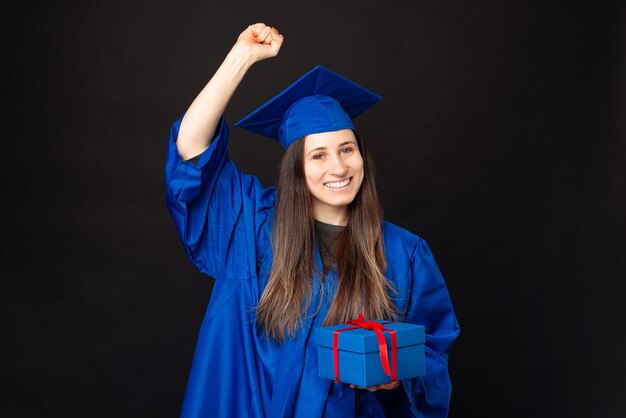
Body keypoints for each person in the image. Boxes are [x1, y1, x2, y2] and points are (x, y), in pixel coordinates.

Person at [165, 23, 460, 418]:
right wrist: (242, 57)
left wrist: (397, 376)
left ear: (362, 157)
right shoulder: (249, 226)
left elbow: (432, 354)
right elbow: (191, 151)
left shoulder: (403, 253)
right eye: (318, 155)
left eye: (347, 149)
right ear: (296, 169)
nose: (338, 166)